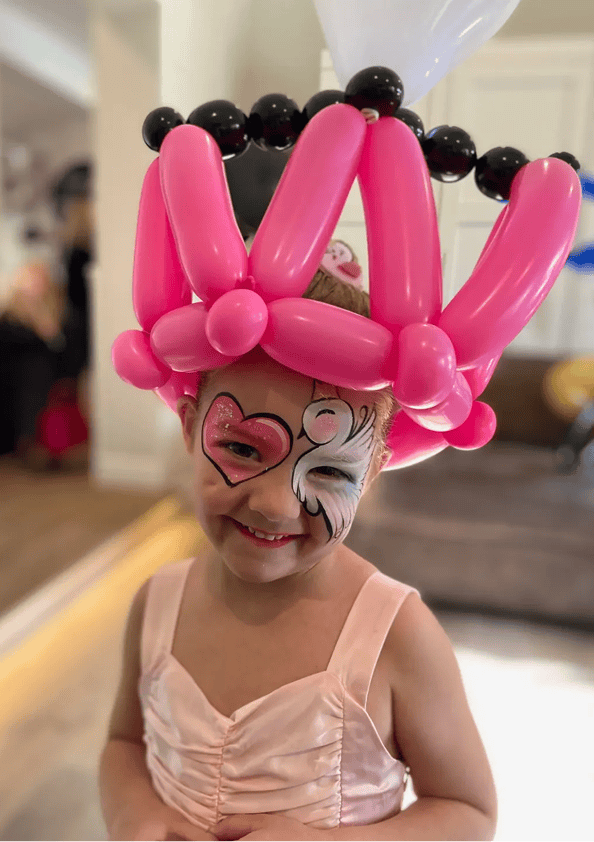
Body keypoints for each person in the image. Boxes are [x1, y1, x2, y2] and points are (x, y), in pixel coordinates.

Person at [99, 246, 497, 842]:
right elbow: (123, 745)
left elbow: (467, 812)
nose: (277, 504)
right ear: (189, 426)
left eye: (331, 472)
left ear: (373, 471)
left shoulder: (399, 634)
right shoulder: (156, 602)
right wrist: (139, 817)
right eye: (241, 448)